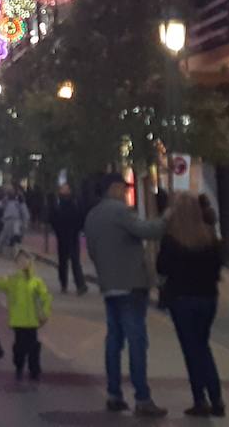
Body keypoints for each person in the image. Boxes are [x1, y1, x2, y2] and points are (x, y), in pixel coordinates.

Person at [84, 174, 167, 418]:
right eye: (123, 188)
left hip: (109, 285)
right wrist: (166, 219)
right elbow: (147, 231)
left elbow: (91, 251)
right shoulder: (120, 211)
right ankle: (142, 397)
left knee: (114, 340)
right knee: (136, 341)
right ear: (114, 188)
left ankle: (114, 393)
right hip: (131, 284)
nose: (125, 192)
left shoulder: (92, 215)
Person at [158, 194, 224, 418]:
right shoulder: (210, 238)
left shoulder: (172, 240)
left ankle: (200, 399)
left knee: (191, 350)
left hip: (182, 299)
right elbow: (217, 268)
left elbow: (162, 268)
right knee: (203, 346)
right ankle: (216, 398)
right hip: (208, 298)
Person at [0, 251, 52, 384]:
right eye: (19, 260)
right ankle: (19, 366)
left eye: (25, 260)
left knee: (33, 347)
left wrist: (44, 314)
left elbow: (45, 298)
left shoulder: (37, 282)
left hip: (33, 321)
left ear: (30, 262)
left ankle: (34, 370)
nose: (22, 263)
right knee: (19, 347)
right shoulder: (12, 280)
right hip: (18, 321)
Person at [51, 182, 88, 294]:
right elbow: (52, 217)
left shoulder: (75, 202)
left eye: (66, 188)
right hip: (62, 236)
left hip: (72, 235)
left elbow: (80, 216)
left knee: (75, 261)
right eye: (63, 189)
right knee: (63, 262)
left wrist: (78, 228)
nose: (65, 191)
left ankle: (80, 285)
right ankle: (64, 284)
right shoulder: (57, 203)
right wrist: (57, 229)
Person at [0, 189, 27, 256]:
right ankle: (0, 249)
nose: (11, 195)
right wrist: (4, 199)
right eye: (10, 194)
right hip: (7, 220)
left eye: (12, 194)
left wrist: (24, 222)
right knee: (4, 235)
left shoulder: (18, 203)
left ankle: (16, 252)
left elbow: (24, 213)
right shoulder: (6, 201)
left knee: (15, 236)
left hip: (16, 220)